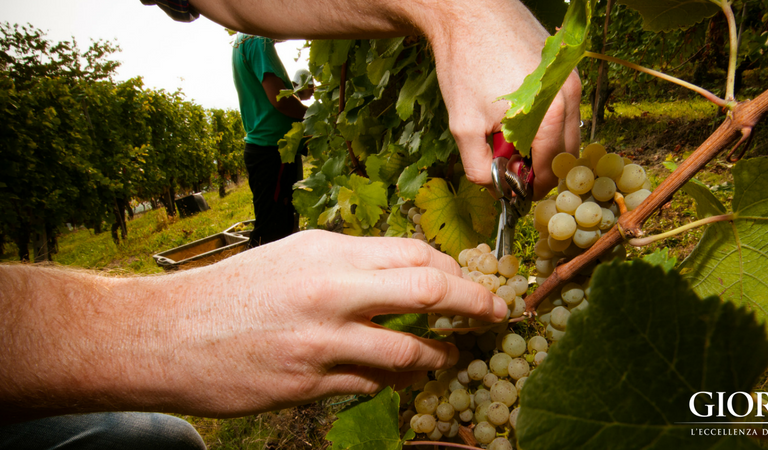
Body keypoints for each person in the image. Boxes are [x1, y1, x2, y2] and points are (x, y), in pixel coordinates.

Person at [1, 0, 581, 444]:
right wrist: (167, 324)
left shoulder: (238, 43)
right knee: (276, 228)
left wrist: (460, 10)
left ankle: (275, 282)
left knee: (161, 440)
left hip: (258, 147)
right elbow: (279, 98)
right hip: (272, 145)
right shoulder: (257, 47)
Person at [232, 33, 307, 248]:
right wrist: (314, 115)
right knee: (274, 231)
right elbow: (280, 100)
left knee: (274, 225)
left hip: (269, 149)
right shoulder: (256, 39)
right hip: (273, 151)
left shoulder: (244, 40)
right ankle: (258, 278)